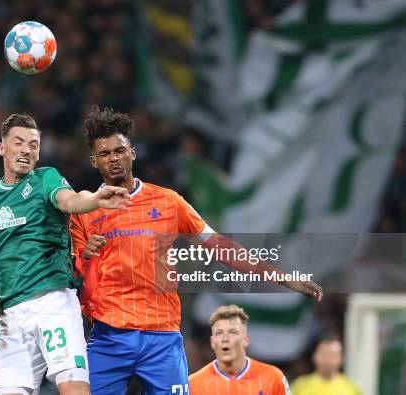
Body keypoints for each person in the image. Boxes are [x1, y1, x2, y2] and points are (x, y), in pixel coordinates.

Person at [69, 107, 323, 394]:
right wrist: (84, 255)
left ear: (133, 153)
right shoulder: (84, 212)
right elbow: (73, 274)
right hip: (109, 337)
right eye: (105, 154)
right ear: (93, 160)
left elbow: (222, 247)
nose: (114, 158)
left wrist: (280, 277)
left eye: (120, 150)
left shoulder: (168, 202)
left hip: (160, 337)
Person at [0, 114, 130, 395]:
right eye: (19, 143)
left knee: (73, 388)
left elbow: (69, 199)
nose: (26, 150)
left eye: (33, 145)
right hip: (12, 315)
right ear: (1, 148)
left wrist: (95, 199)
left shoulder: (45, 178)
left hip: (54, 303)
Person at [188, 305, 291, 395]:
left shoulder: (273, 378)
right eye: (219, 333)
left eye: (232, 332)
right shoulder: (193, 384)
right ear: (212, 342)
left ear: (246, 340)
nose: (225, 339)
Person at [291, 337, 361, 395]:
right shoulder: (300, 386)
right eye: (324, 354)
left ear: (341, 359)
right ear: (314, 356)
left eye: (333, 355)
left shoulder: (352, 388)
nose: (328, 360)